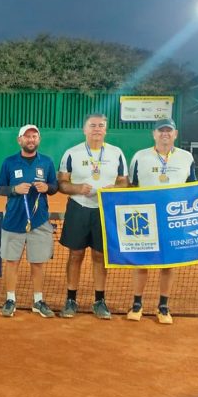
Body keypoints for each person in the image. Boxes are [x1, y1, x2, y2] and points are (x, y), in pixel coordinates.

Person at [57, 113, 128, 319]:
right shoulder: (72, 153)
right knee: (75, 254)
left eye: (101, 125)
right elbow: (62, 183)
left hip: (104, 210)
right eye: (93, 125)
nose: (97, 129)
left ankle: (99, 300)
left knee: (100, 255)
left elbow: (124, 182)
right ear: (85, 129)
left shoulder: (116, 153)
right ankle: (71, 299)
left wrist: (114, 189)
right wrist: (77, 188)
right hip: (78, 208)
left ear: (106, 129)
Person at [127, 118, 196, 324]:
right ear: (154, 134)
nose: (165, 134)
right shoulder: (140, 156)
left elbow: (192, 189)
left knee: (169, 263)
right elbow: (131, 187)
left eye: (169, 130)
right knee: (142, 262)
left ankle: (163, 306)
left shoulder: (186, 157)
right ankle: (137, 304)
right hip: (145, 218)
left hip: (173, 219)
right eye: (161, 130)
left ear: (175, 134)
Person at [0, 125, 58, 317]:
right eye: (27, 136)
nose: (31, 140)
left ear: (38, 139)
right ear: (19, 140)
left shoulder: (46, 162)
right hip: (13, 221)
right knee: (12, 262)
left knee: (37, 263)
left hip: (39, 221)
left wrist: (47, 187)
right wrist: (14, 189)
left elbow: (54, 186)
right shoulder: (9, 162)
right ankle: (10, 299)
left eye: (34, 136)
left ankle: (38, 301)